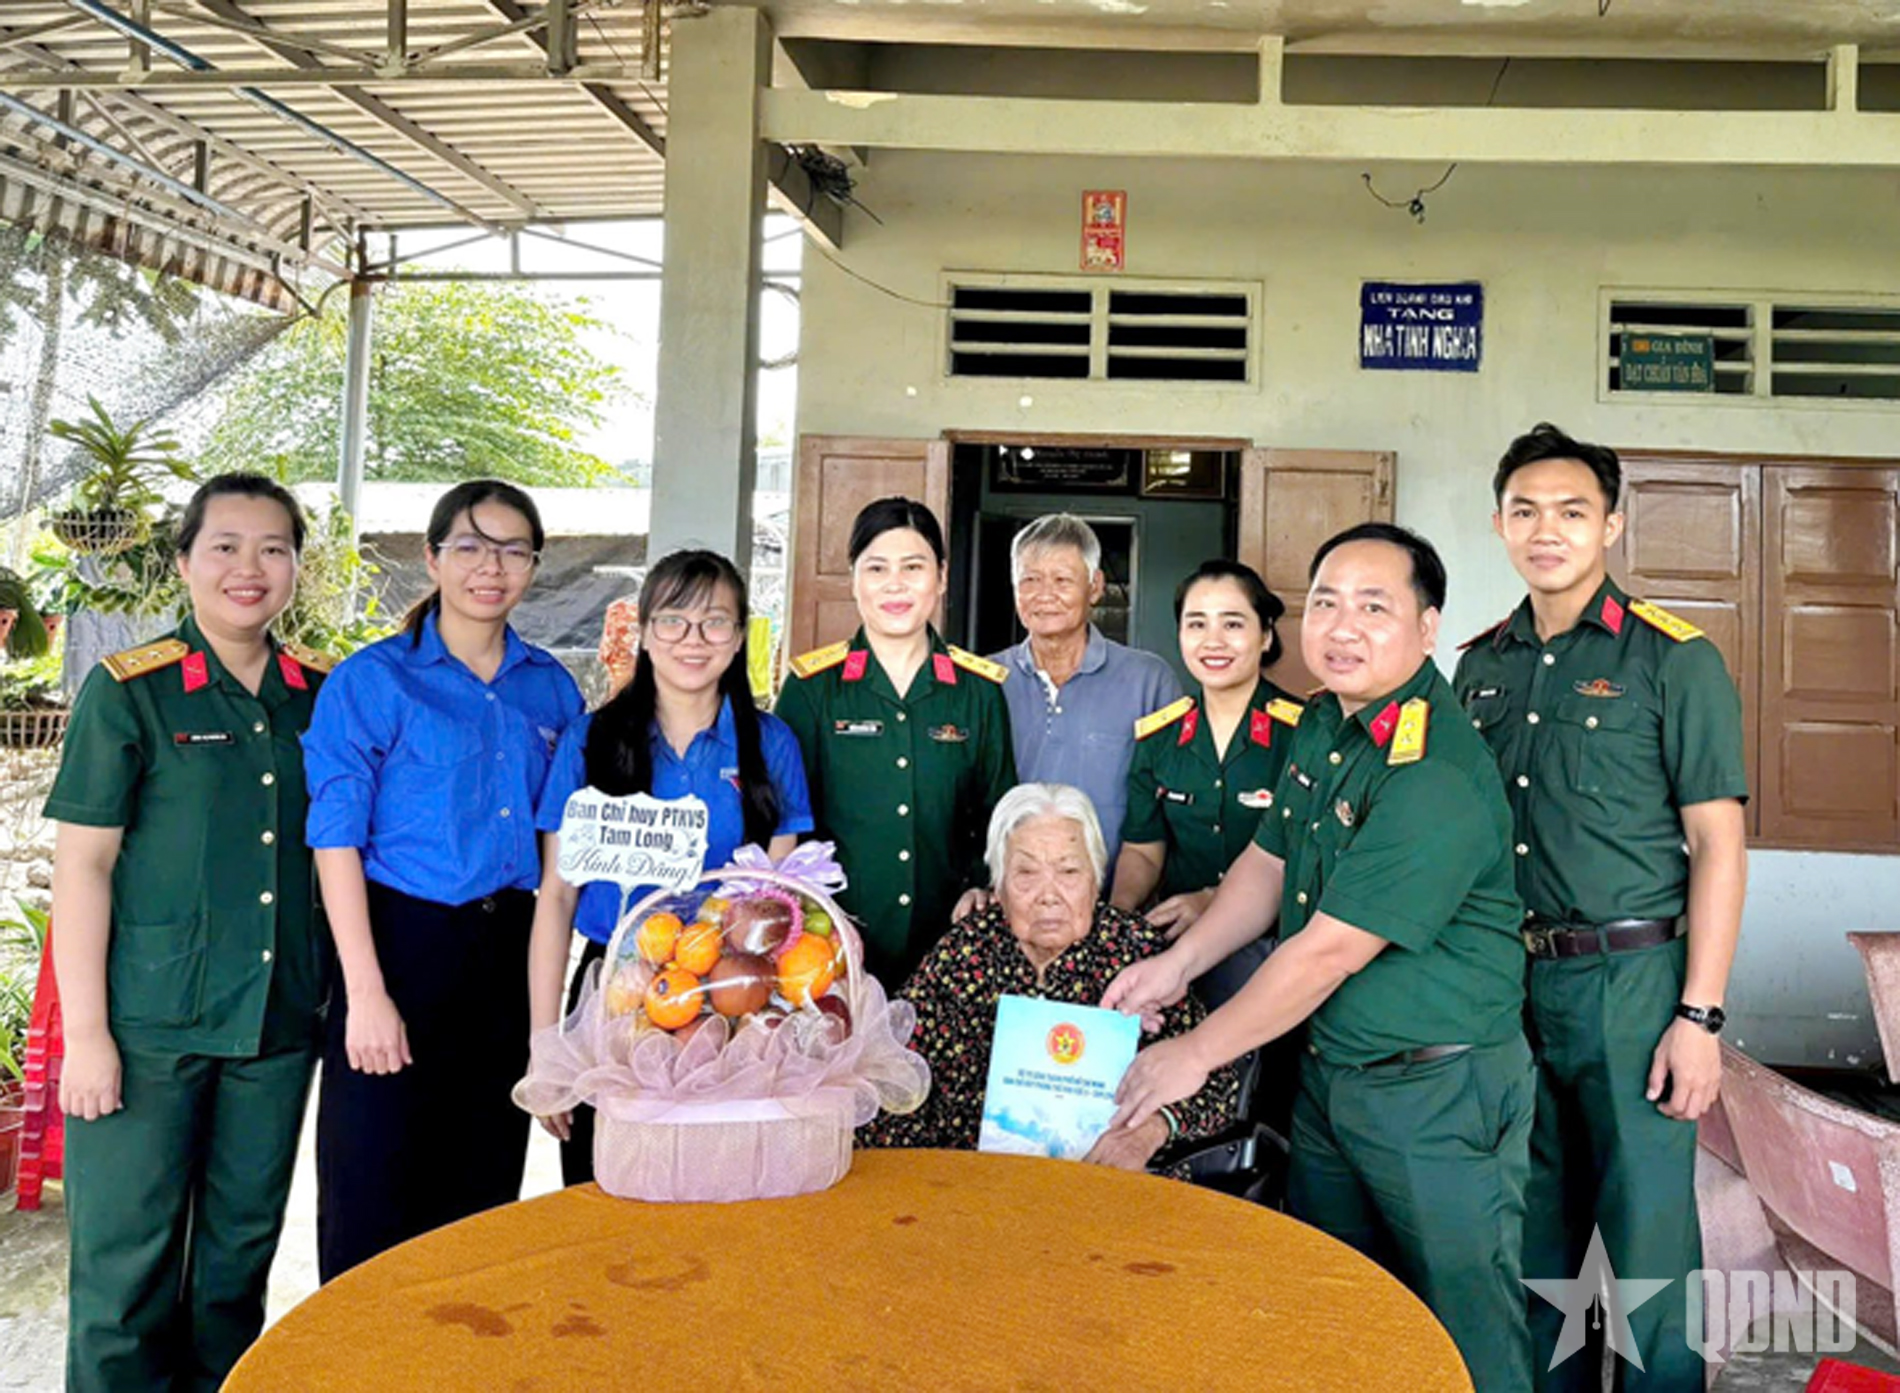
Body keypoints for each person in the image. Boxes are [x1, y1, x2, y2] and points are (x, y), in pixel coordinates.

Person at [1103, 523, 1534, 1393]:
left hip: (1435, 1092)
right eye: (1328, 602)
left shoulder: (1433, 770)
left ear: (1427, 626)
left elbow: (1328, 950)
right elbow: (1267, 862)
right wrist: (1179, 963)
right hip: (1336, 1078)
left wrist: (1193, 1052)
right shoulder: (1328, 725)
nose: (1343, 625)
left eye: (1375, 606)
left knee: (1464, 1324)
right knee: (1334, 1302)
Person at [1454, 424, 1748, 1392]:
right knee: (1532, 1226)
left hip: (1632, 982)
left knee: (1645, 1240)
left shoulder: (1673, 658)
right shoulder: (1480, 665)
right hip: (1513, 981)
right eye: (1526, 510)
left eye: (1572, 511)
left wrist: (1698, 1014)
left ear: (1611, 524)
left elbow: (1717, 842)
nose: (1548, 530)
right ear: (1499, 523)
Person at [48, 474, 330, 1392]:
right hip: (147, 1031)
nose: (249, 569)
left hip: (275, 1029)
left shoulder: (321, 698)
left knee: (234, 1270)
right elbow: (84, 866)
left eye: (274, 548)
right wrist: (86, 1036)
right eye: (225, 546)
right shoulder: (131, 691)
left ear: (296, 566)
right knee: (122, 1278)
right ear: (183, 561)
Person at [303, 479, 584, 1281]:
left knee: (481, 1199)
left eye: (512, 549)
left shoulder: (551, 689)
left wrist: (546, 1031)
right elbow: (335, 838)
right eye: (469, 545)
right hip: (397, 947)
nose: (489, 567)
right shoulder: (373, 682)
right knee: (372, 1196)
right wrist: (365, 992)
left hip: (506, 954)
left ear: (533, 565)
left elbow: (563, 852)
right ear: (431, 557)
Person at [527, 549, 813, 1184]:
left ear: (739, 638)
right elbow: (556, 899)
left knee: (724, 1196)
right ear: (645, 632)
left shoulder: (771, 744)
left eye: (715, 622)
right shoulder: (589, 741)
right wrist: (546, 1046)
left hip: (731, 1000)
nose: (693, 639)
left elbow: (779, 902)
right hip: (614, 995)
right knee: (607, 1197)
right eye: (673, 620)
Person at [862, 782, 1239, 1173]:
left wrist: (1150, 1133)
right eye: (1025, 872)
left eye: (1069, 871)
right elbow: (894, 1066)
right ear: (999, 886)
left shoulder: (1138, 954)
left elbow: (1219, 1085)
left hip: (1107, 1189)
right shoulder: (966, 950)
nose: (1048, 894)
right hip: (971, 1189)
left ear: (1096, 880)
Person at [775, 497, 1015, 990]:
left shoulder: (979, 691)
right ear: (854, 580)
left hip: (950, 949)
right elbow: (784, 818)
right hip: (831, 945)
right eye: (877, 568)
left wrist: (981, 885)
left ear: (942, 577)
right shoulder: (813, 688)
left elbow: (999, 816)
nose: (895, 584)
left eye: (914, 566)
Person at [1110, 559, 1304, 1009]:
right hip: (1179, 958)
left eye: (1233, 623)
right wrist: (1117, 924)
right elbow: (1143, 848)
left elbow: (1316, 856)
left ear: (1266, 634)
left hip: (1281, 956)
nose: (1213, 641)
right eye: (1196, 624)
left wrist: (1214, 901)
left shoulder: (1306, 733)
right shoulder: (1158, 737)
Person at [988, 514, 1181, 868]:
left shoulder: (1149, 681)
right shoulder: (985, 682)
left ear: (1095, 587)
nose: (1044, 595)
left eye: (1062, 580)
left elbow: (1173, 810)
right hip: (1008, 902)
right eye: (1030, 579)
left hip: (1120, 901)